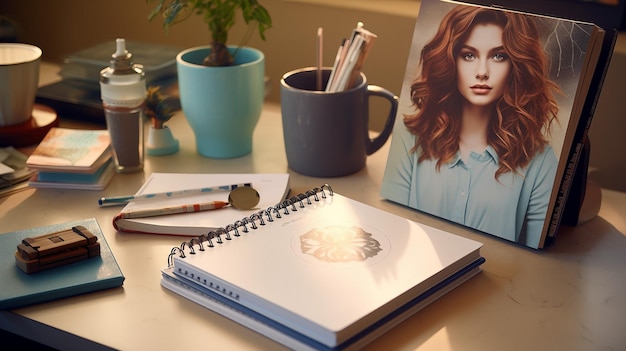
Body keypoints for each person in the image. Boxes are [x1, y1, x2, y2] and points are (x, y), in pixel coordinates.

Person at [381, 5, 561, 247]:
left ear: (515, 65)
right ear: (450, 60)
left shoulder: (540, 161)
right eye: (469, 55)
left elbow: (540, 263)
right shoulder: (408, 138)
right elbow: (392, 233)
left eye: (499, 56)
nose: (482, 72)